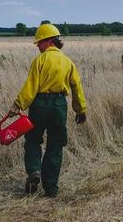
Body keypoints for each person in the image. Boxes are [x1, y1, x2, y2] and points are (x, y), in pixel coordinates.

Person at [8, 23, 87, 197]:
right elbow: (77, 87)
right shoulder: (68, 61)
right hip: (59, 106)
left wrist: (17, 106)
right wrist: (81, 110)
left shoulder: (40, 60)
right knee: (56, 145)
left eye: (40, 42)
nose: (38, 46)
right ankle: (51, 189)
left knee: (33, 140)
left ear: (50, 41)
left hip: (39, 105)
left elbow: (30, 87)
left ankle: (34, 171)